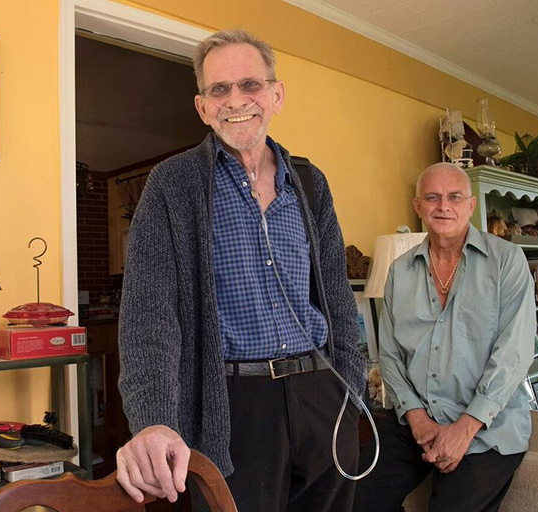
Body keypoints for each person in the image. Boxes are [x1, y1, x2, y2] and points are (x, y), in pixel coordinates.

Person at [116, 29, 366, 512]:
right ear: (202, 106)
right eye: (219, 89)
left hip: (322, 395)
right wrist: (153, 418)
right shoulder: (173, 184)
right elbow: (149, 319)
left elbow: (337, 297)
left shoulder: (311, 183)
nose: (236, 101)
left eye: (250, 85)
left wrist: (348, 391)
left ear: (276, 95)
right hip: (231, 407)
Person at [353, 162, 536, 512]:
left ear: (471, 205)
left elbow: (514, 354)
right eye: (432, 197)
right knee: (352, 501)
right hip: (414, 421)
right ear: (418, 206)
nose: (443, 206)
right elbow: (390, 356)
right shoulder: (399, 271)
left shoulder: (507, 261)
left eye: (454, 197)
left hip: (485, 428)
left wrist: (464, 429)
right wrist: (417, 419)